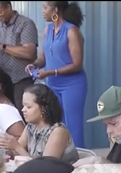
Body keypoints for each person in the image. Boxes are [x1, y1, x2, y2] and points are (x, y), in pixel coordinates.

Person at [26, 1, 87, 149]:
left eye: (45, 7)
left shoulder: (71, 31)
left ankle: (78, 163)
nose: (42, 11)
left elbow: (77, 64)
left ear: (56, 9)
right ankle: (59, 158)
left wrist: (51, 72)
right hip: (53, 84)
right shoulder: (48, 30)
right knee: (56, 124)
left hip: (72, 85)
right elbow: (42, 58)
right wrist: (34, 65)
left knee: (73, 125)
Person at [0, 83, 79, 163]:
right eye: (23, 106)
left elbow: (45, 166)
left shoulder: (58, 131)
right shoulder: (30, 127)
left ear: (43, 108)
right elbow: (16, 153)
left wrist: (17, 147)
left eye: (28, 107)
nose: (23, 109)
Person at [0, 1, 39, 107]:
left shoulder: (26, 23)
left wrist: (2, 46)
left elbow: (29, 53)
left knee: (21, 114)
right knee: (3, 113)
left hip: (21, 80)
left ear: (8, 7)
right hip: (1, 80)